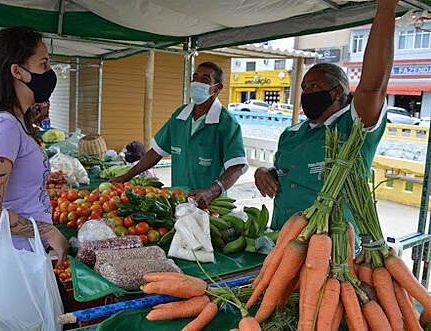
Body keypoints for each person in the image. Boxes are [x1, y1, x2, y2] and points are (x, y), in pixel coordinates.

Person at [255, 0, 397, 241]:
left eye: (314, 86)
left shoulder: (354, 126)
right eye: (304, 87)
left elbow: (373, 87)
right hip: (281, 240)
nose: (307, 92)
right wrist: (263, 171)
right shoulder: (291, 134)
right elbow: (283, 173)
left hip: (329, 250)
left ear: (338, 92)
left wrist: (386, 10)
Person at [0, 26, 75, 326]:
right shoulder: (2, 125)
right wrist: (47, 231)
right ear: (18, 71)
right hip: (7, 260)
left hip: (17, 256)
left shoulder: (14, 120)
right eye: (44, 63)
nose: (49, 71)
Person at [110, 62, 248, 208]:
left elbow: (236, 167)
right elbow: (156, 152)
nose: (197, 83)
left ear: (218, 88)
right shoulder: (179, 116)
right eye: (195, 78)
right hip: (178, 199)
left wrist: (211, 191)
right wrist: (126, 177)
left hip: (209, 204)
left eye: (205, 79)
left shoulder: (227, 123)